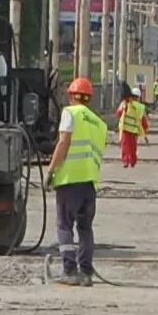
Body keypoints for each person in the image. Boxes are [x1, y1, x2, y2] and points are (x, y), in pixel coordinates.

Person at [50, 75, 110, 284]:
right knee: (85, 228)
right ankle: (85, 272)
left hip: (69, 180)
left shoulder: (70, 113)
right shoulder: (100, 124)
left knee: (64, 226)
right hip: (90, 184)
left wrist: (51, 171)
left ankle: (69, 270)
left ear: (72, 97)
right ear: (89, 98)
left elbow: (63, 143)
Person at [114, 85, 149, 170]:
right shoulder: (141, 107)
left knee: (125, 146)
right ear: (138, 97)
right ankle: (133, 161)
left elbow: (118, 114)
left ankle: (126, 161)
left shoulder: (125, 103)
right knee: (133, 147)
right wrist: (145, 130)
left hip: (125, 129)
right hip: (134, 131)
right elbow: (143, 121)